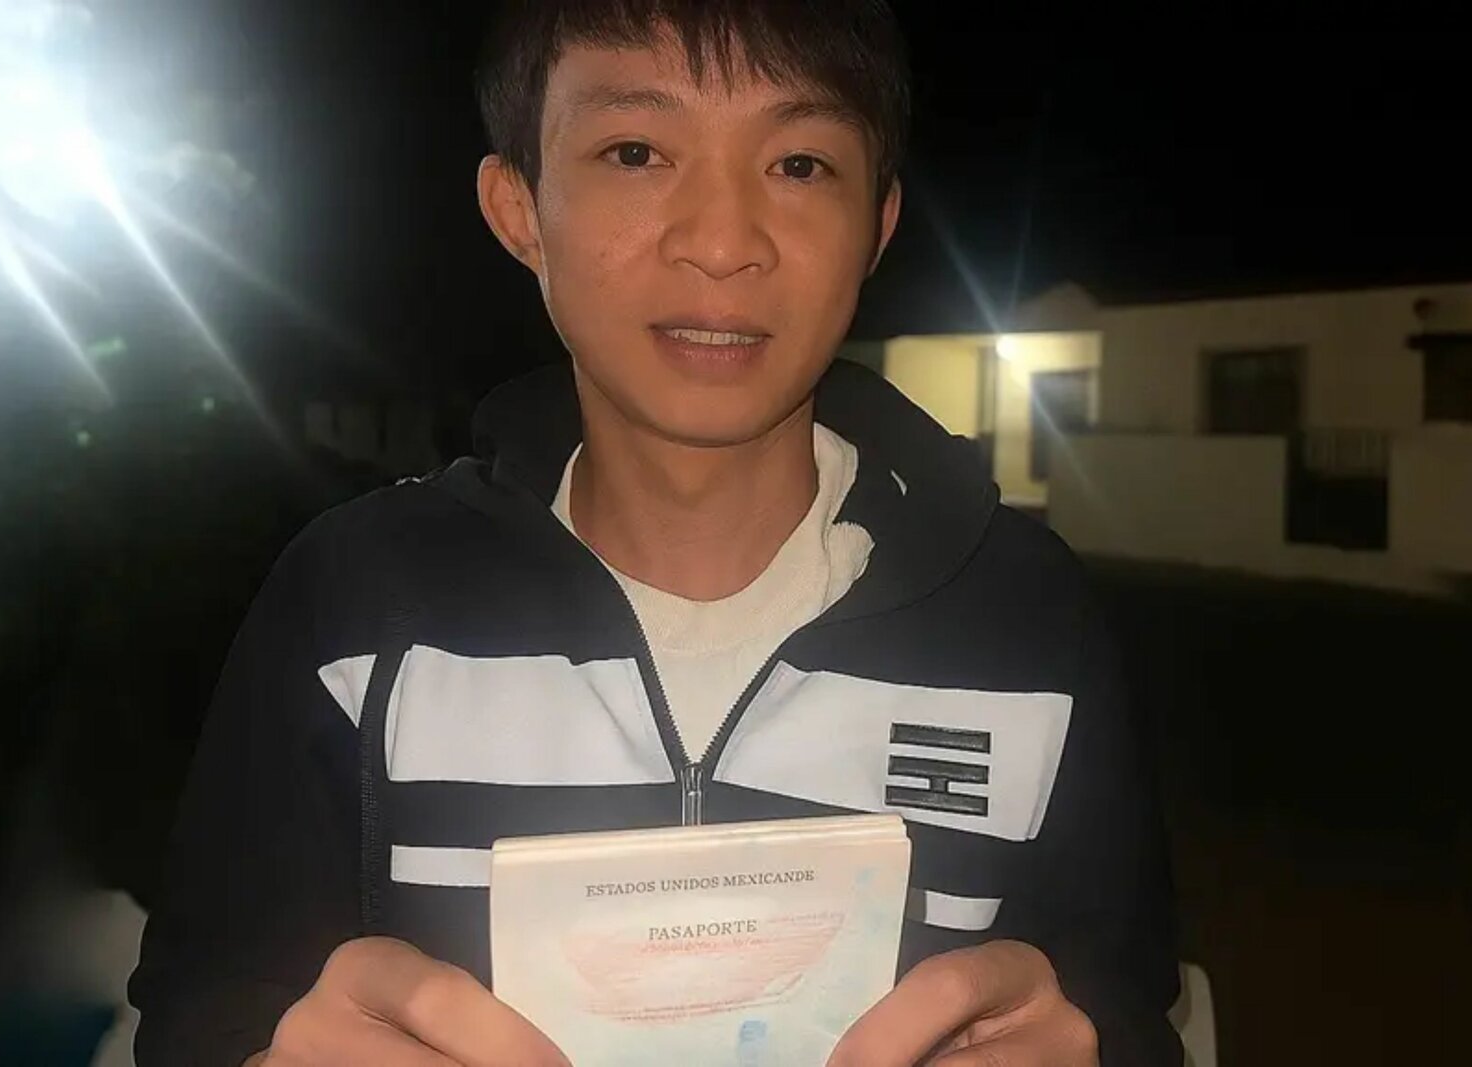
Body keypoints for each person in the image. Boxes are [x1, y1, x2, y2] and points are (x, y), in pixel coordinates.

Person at [130, 2, 1181, 1064]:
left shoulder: (1031, 619)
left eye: (800, 164)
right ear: (519, 209)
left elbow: (1128, 1007)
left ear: (877, 222)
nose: (722, 245)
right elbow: (201, 1001)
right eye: (635, 152)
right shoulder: (351, 599)